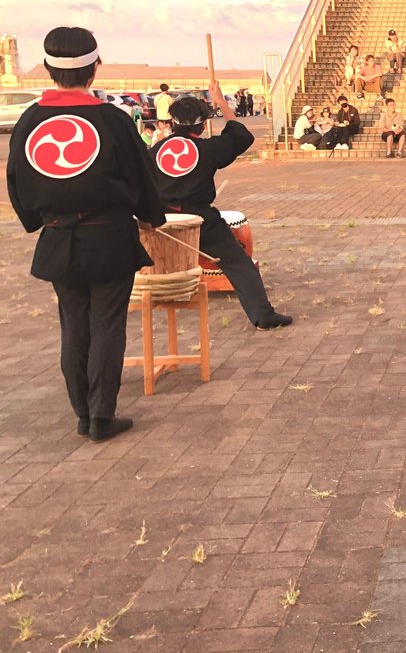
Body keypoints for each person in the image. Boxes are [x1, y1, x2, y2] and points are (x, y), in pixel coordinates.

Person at [6, 27, 166, 442]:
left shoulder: (30, 120)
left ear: (46, 69)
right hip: (110, 237)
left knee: (74, 326)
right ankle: (100, 416)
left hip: (59, 239)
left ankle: (83, 413)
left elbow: (16, 180)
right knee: (108, 326)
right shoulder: (111, 119)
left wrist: (36, 218)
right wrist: (152, 217)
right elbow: (142, 175)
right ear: (95, 68)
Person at [153, 81, 292, 328]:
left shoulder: (154, 150)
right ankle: (262, 315)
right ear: (204, 123)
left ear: (172, 122)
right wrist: (221, 103)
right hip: (198, 218)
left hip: (161, 219)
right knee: (237, 262)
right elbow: (241, 135)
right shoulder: (207, 148)